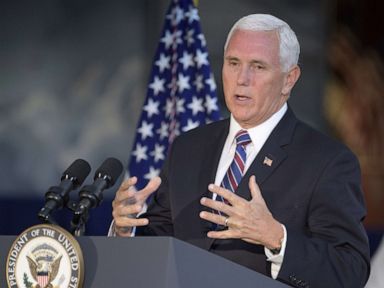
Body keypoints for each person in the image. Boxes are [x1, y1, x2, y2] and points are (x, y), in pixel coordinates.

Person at [112, 14, 370, 287]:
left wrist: (276, 238)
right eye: (233, 63)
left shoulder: (328, 161)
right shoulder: (188, 147)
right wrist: (126, 230)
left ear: (289, 79)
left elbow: (350, 270)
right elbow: (161, 240)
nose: (242, 79)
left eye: (258, 67)